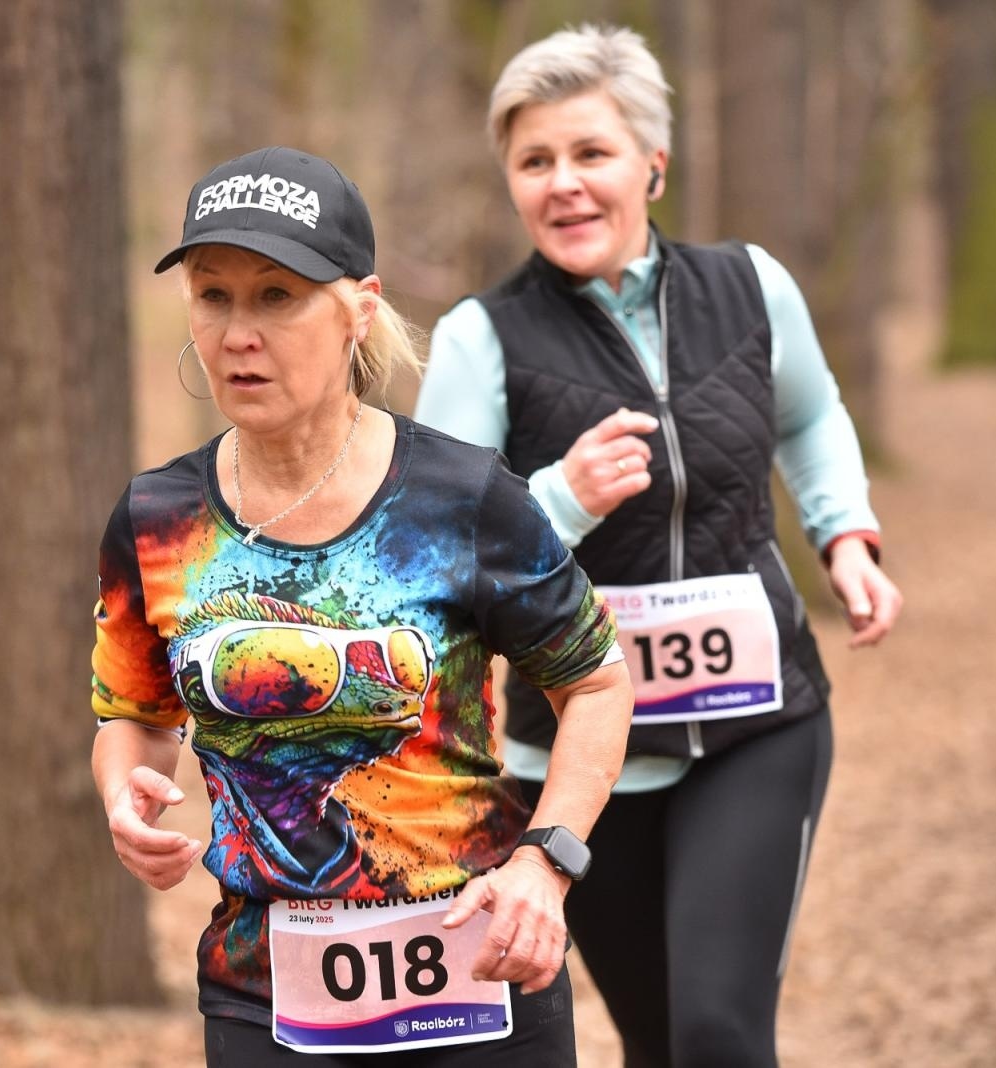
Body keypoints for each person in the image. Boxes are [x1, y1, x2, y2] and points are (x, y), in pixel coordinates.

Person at [413, 26, 904, 1068]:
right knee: (658, 1039)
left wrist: (845, 536)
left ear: (653, 164)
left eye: (590, 152)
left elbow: (809, 416)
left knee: (719, 1034)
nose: (564, 182)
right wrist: (561, 497)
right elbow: (437, 559)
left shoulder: (750, 286)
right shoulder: (478, 338)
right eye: (535, 161)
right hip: (574, 758)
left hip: (755, 723)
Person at [90, 146, 635, 1067]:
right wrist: (125, 790)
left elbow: (597, 684)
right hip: (265, 995)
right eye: (214, 295)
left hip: (480, 977)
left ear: (360, 309)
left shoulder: (464, 498)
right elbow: (136, 717)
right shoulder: (157, 519)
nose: (238, 333)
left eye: (277, 296)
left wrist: (546, 863)